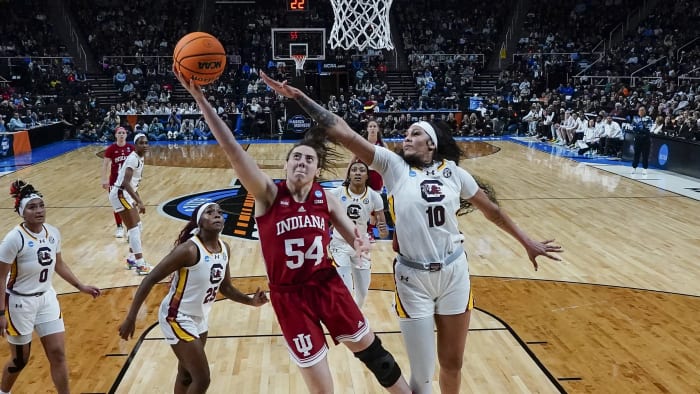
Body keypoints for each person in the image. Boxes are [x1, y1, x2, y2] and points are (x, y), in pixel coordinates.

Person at [260, 70, 563, 394]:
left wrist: (526, 241)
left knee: (453, 364)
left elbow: (492, 211)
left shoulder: (454, 173)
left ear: (431, 143)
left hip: (454, 271)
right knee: (422, 376)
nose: (406, 135)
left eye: (415, 132)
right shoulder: (394, 166)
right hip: (412, 276)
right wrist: (300, 98)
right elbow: (344, 133)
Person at [174, 69, 411, 394]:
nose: (302, 162)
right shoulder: (268, 194)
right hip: (289, 297)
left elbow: (349, 232)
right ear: (285, 167)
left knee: (377, 357)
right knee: (322, 389)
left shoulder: (325, 198)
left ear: (316, 170)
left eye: (309, 159)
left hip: (327, 285)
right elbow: (232, 150)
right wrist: (202, 101)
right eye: (296, 158)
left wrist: (360, 241)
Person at [118, 202, 268, 393]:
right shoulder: (189, 250)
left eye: (220, 213)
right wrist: (131, 318)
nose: (217, 215)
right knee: (202, 379)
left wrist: (251, 301)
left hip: (200, 317)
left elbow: (226, 287)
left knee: (186, 374)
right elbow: (150, 279)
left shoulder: (225, 249)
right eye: (210, 212)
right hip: (176, 316)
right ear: (199, 221)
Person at [0, 180, 101, 394]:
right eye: (32, 207)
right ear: (21, 212)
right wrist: (0, 313)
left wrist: (80, 285)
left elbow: (59, 264)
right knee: (20, 360)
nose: (39, 211)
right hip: (20, 302)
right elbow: (0, 279)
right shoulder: (13, 239)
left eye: (41, 205)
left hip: (47, 298)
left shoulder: (53, 232)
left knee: (58, 353)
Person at [330, 160, 388, 308]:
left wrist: (383, 231)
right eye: (354, 170)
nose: (357, 173)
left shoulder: (374, 197)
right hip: (340, 244)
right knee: (346, 290)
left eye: (361, 170)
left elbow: (383, 232)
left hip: (361, 246)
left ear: (367, 176)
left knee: (362, 293)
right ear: (349, 174)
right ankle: (350, 324)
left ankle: (356, 317)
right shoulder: (336, 193)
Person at [108, 133, 151, 275]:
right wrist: (138, 202)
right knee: (133, 229)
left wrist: (139, 200)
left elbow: (133, 184)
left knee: (138, 226)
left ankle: (132, 259)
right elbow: (126, 183)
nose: (144, 145)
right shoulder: (133, 159)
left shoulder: (140, 158)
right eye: (141, 143)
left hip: (125, 194)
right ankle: (140, 264)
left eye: (146, 142)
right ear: (135, 145)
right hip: (120, 194)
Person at [101, 126, 134, 238]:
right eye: (119, 133)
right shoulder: (111, 149)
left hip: (127, 182)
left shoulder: (131, 148)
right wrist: (104, 179)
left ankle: (130, 227)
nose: (121, 135)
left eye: (123, 133)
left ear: (126, 135)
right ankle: (119, 227)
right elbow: (105, 165)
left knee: (128, 204)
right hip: (114, 182)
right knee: (117, 205)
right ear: (116, 135)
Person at [630, 106, 654, 176]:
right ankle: (634, 167)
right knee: (636, 154)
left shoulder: (648, 118)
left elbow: (648, 128)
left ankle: (645, 169)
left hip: (645, 139)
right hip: (637, 138)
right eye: (640, 110)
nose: (641, 112)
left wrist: (639, 129)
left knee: (645, 154)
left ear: (645, 111)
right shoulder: (635, 118)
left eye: (642, 110)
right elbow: (633, 127)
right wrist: (640, 129)